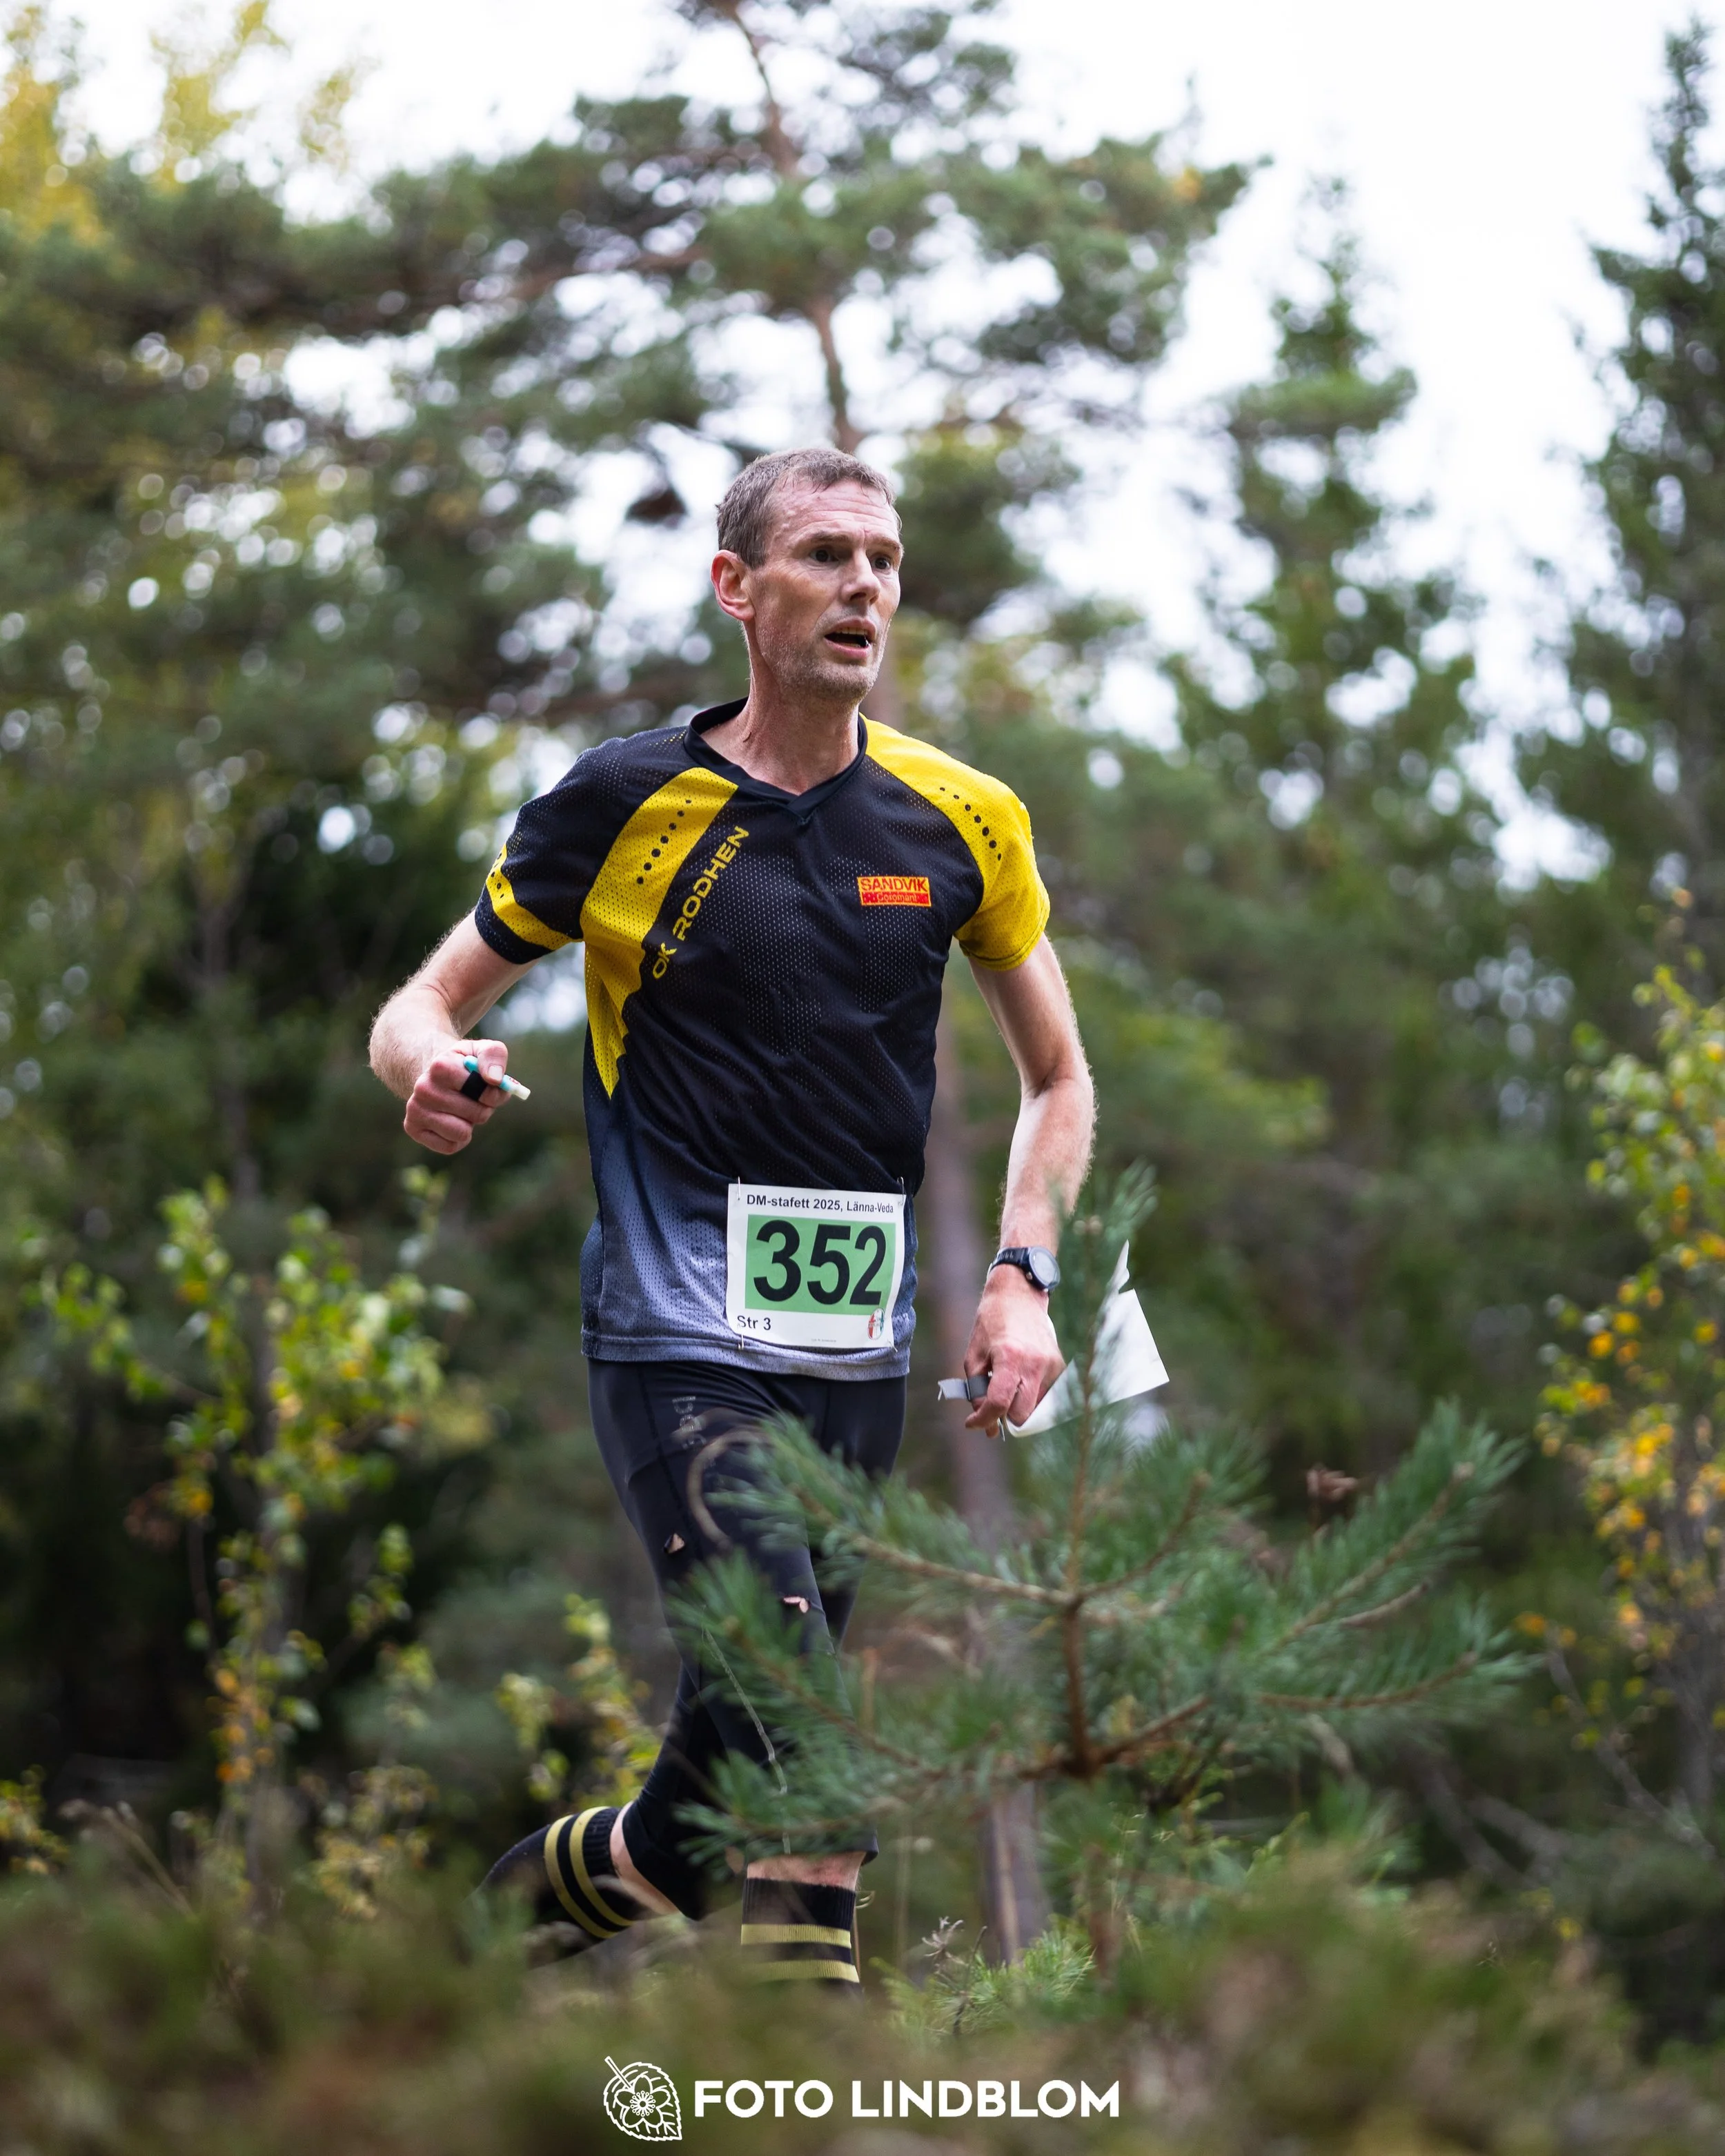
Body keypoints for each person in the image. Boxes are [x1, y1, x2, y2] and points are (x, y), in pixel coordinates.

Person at [368, 446, 1094, 1988]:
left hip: (851, 1366)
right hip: (671, 1334)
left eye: (883, 561)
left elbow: (1058, 1078)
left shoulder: (960, 820)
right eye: (825, 555)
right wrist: (430, 1066)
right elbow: (424, 1000)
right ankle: (803, 2105)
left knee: (697, 1822)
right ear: (735, 588)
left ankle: (444, 1968)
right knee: (813, 1743)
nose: (863, 587)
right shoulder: (625, 800)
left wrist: (1022, 1273)